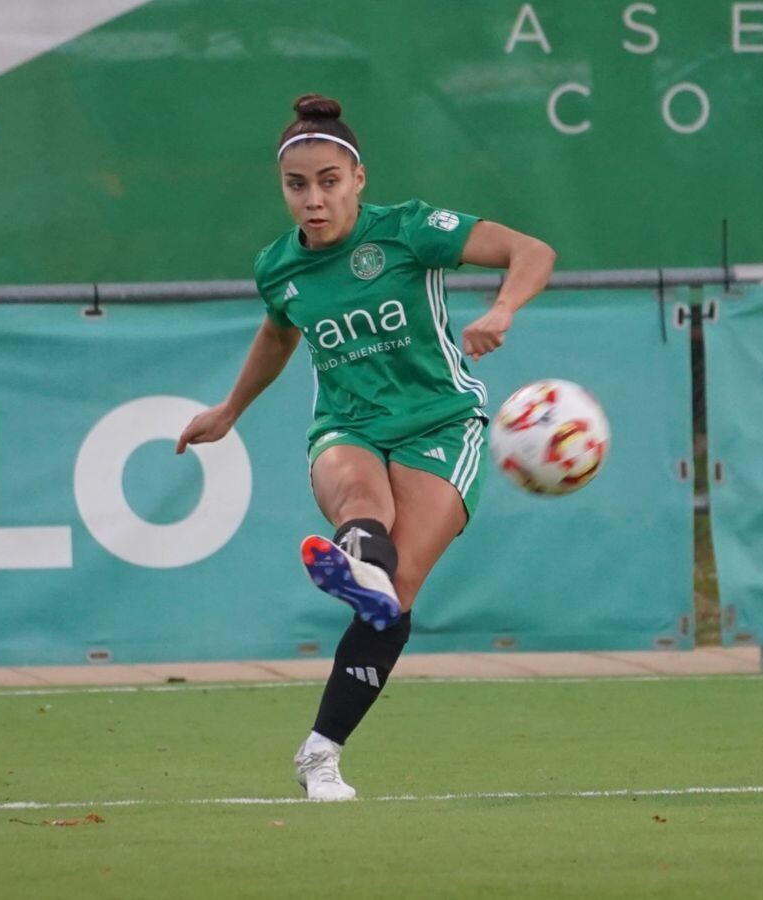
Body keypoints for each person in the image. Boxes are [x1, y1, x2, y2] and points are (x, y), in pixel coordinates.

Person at [175, 94, 556, 801]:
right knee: (358, 499)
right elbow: (280, 333)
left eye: (328, 181)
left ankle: (320, 752)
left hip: (442, 424)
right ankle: (356, 557)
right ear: (283, 189)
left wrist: (502, 308)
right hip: (347, 424)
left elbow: (531, 251)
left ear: (358, 179)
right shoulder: (279, 267)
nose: (313, 200)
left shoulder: (411, 231)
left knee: (396, 593)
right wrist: (231, 409)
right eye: (297, 185)